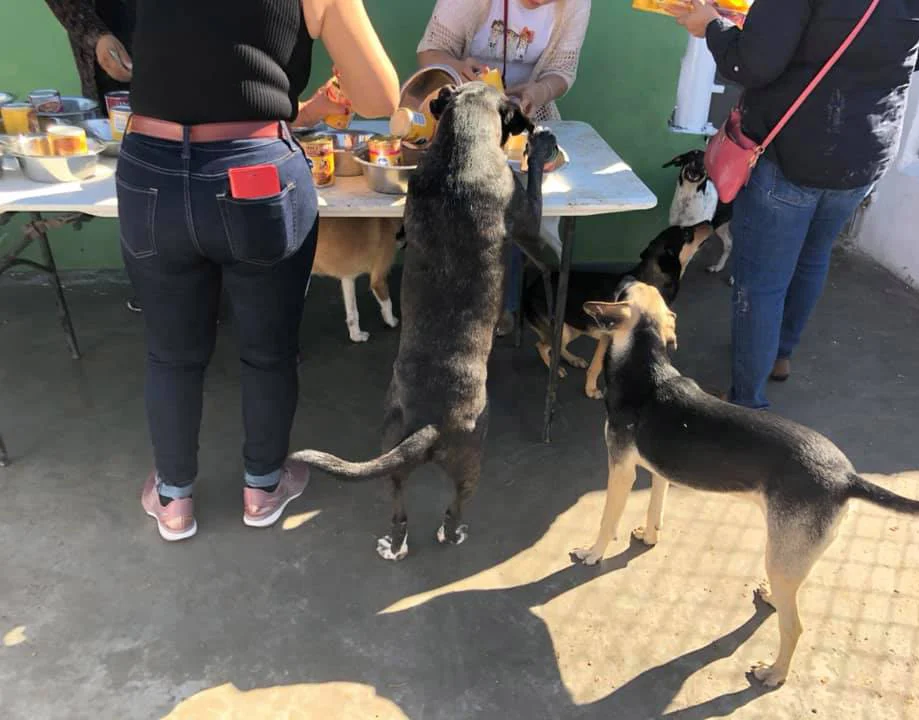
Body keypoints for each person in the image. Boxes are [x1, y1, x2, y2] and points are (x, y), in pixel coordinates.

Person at [120, 0, 399, 541]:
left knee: (170, 352)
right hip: (252, 172)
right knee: (268, 349)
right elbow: (380, 98)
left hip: (149, 170)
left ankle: (174, 499)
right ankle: (263, 487)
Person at [671, 0, 919, 409]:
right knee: (812, 257)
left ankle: (746, 406)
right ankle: (779, 354)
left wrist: (711, 26)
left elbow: (751, 65)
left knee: (761, 285)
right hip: (864, 157)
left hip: (792, 155)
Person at [417, 0, 592, 335]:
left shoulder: (576, 4)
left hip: (527, 118)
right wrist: (457, 67)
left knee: (516, 214)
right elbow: (429, 53)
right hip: (464, 120)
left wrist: (539, 90)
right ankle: (466, 304)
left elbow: (563, 72)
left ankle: (505, 304)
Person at [44, 0, 143, 313]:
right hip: (113, 60)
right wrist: (95, 35)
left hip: (185, 46)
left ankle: (199, 282)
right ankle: (156, 282)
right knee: (135, 178)